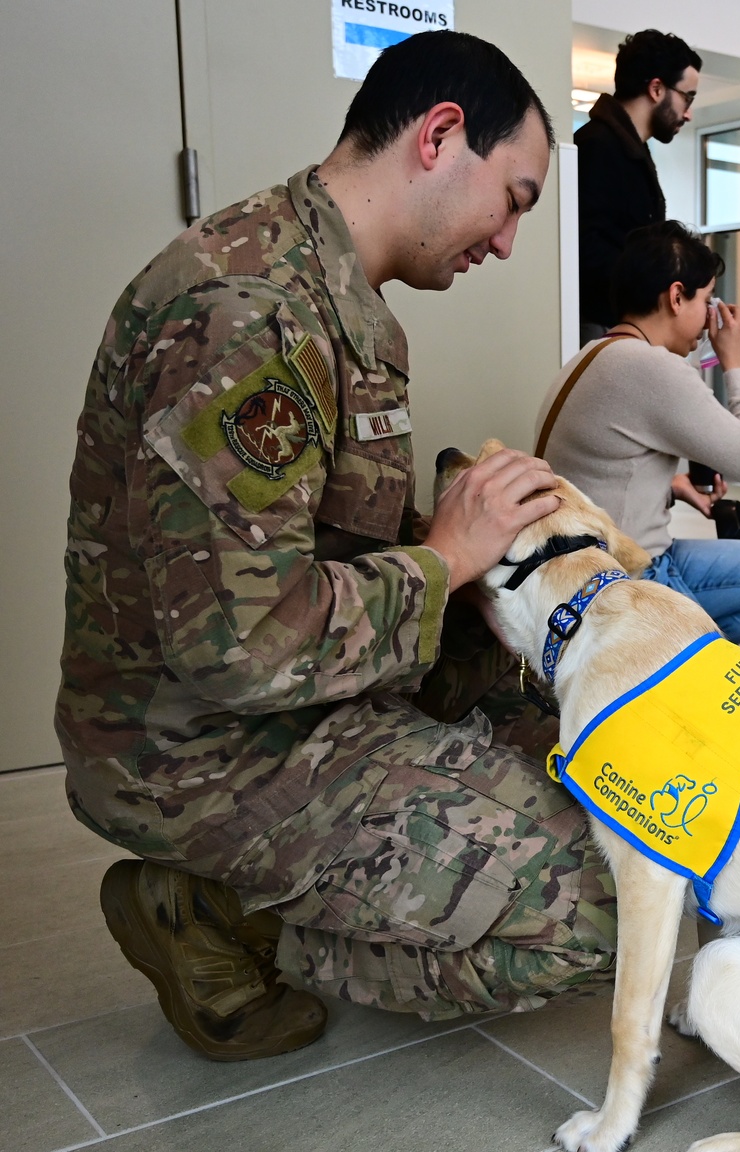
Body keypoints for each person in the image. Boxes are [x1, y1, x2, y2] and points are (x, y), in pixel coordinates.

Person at [56, 31, 620, 1063]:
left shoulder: (328, 293)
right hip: (198, 745)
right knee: (601, 905)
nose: (505, 242)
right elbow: (239, 643)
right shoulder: (248, 314)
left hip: (299, 693)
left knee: (607, 754)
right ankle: (228, 921)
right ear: (441, 136)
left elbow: (315, 548)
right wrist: (446, 558)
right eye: (517, 197)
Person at [537, 221, 740, 645]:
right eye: (707, 300)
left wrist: (669, 487)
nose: (710, 319)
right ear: (677, 296)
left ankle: (676, 654)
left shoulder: (592, 354)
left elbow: (603, 468)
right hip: (624, 578)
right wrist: (736, 363)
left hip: (571, 574)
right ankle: (677, 660)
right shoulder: (651, 366)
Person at [576, 29, 701, 344]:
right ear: (657, 88)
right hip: (604, 328)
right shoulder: (598, 147)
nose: (688, 113)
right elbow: (591, 253)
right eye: (688, 96)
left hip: (618, 327)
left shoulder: (624, 149)